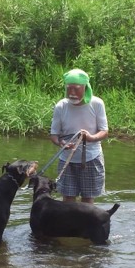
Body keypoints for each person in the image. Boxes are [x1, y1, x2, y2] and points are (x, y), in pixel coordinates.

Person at [50, 68, 109, 204]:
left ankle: (85, 225)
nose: (72, 93)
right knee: (68, 200)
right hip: (66, 160)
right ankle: (69, 225)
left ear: (85, 87)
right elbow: (54, 135)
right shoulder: (61, 106)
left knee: (87, 200)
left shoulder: (97, 103)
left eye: (76, 89)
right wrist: (61, 143)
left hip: (91, 158)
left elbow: (104, 131)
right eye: (69, 89)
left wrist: (91, 138)